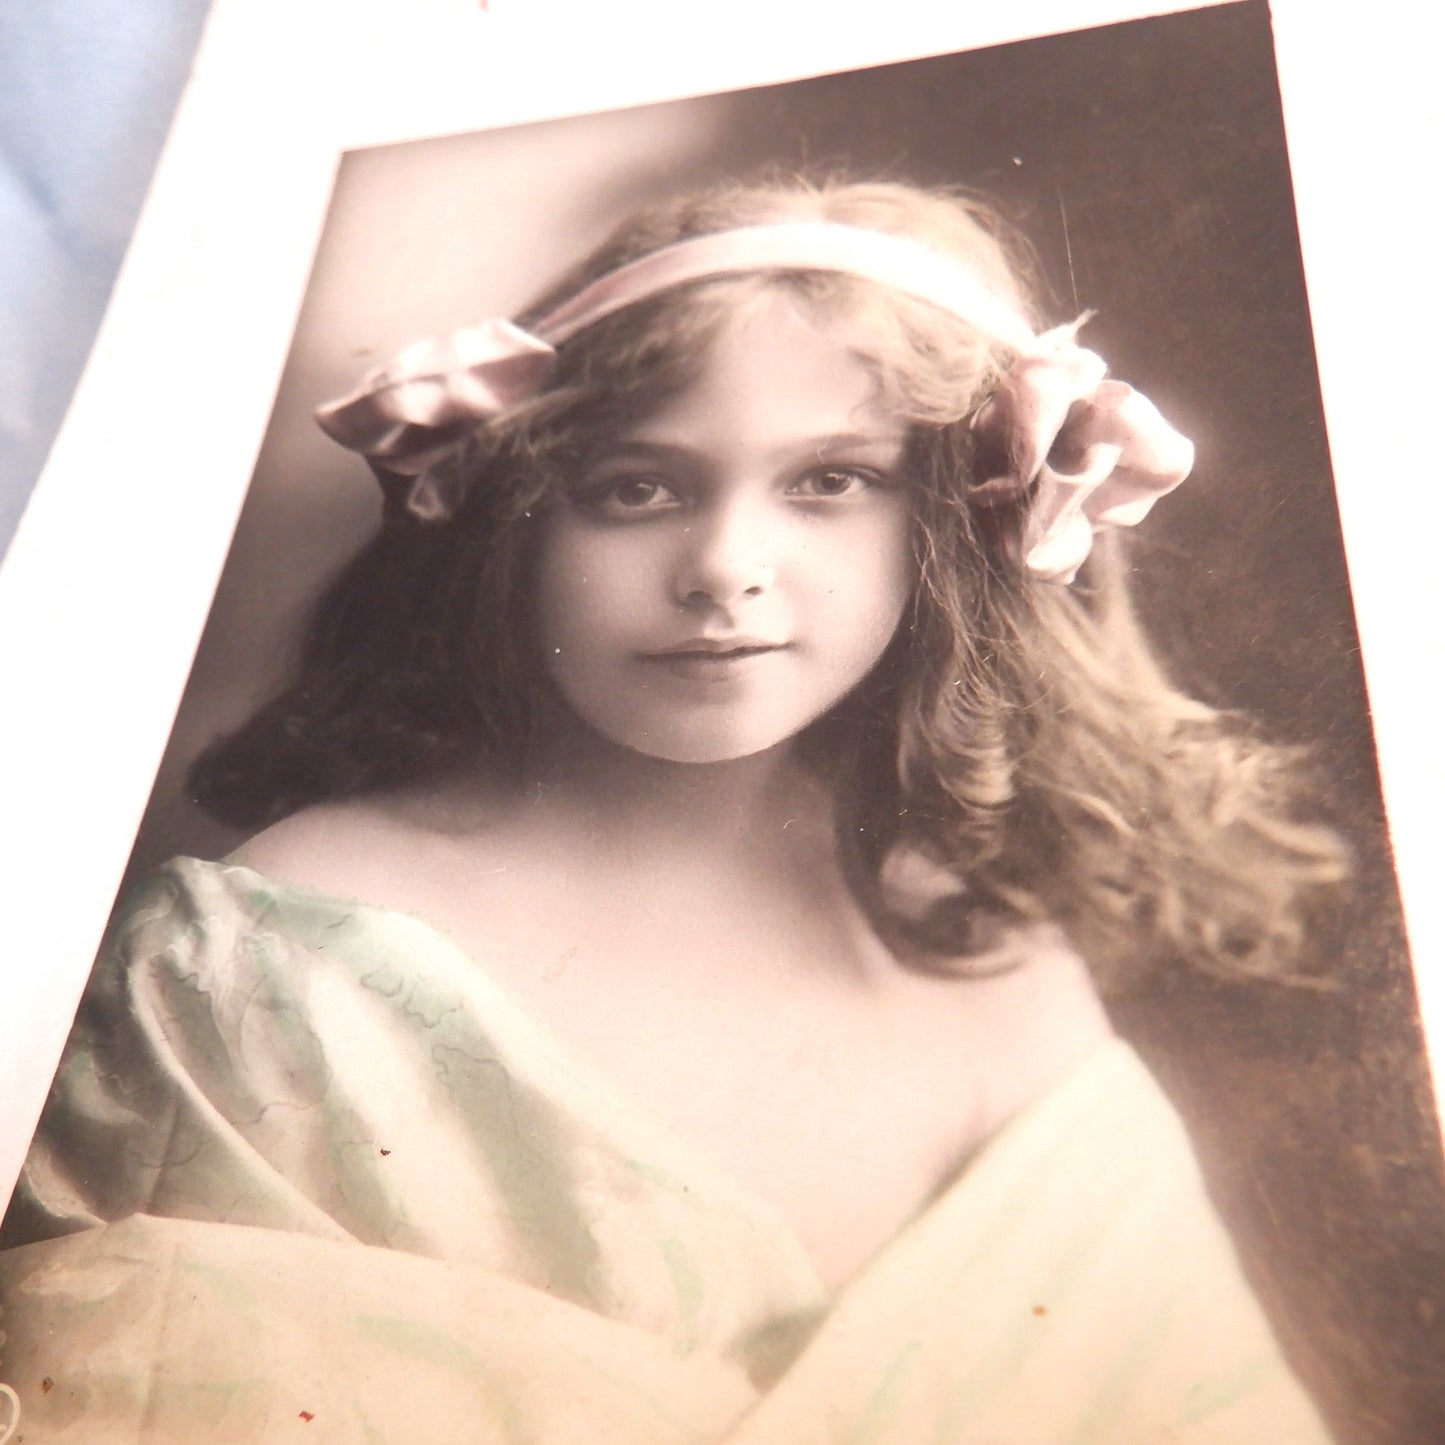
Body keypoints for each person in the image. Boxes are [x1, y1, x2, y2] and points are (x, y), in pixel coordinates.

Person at [0, 177, 1345, 1442]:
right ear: (516, 521)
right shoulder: (273, 957)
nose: (723, 571)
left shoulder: (994, 963)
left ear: (947, 520)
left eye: (830, 481)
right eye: (636, 487)